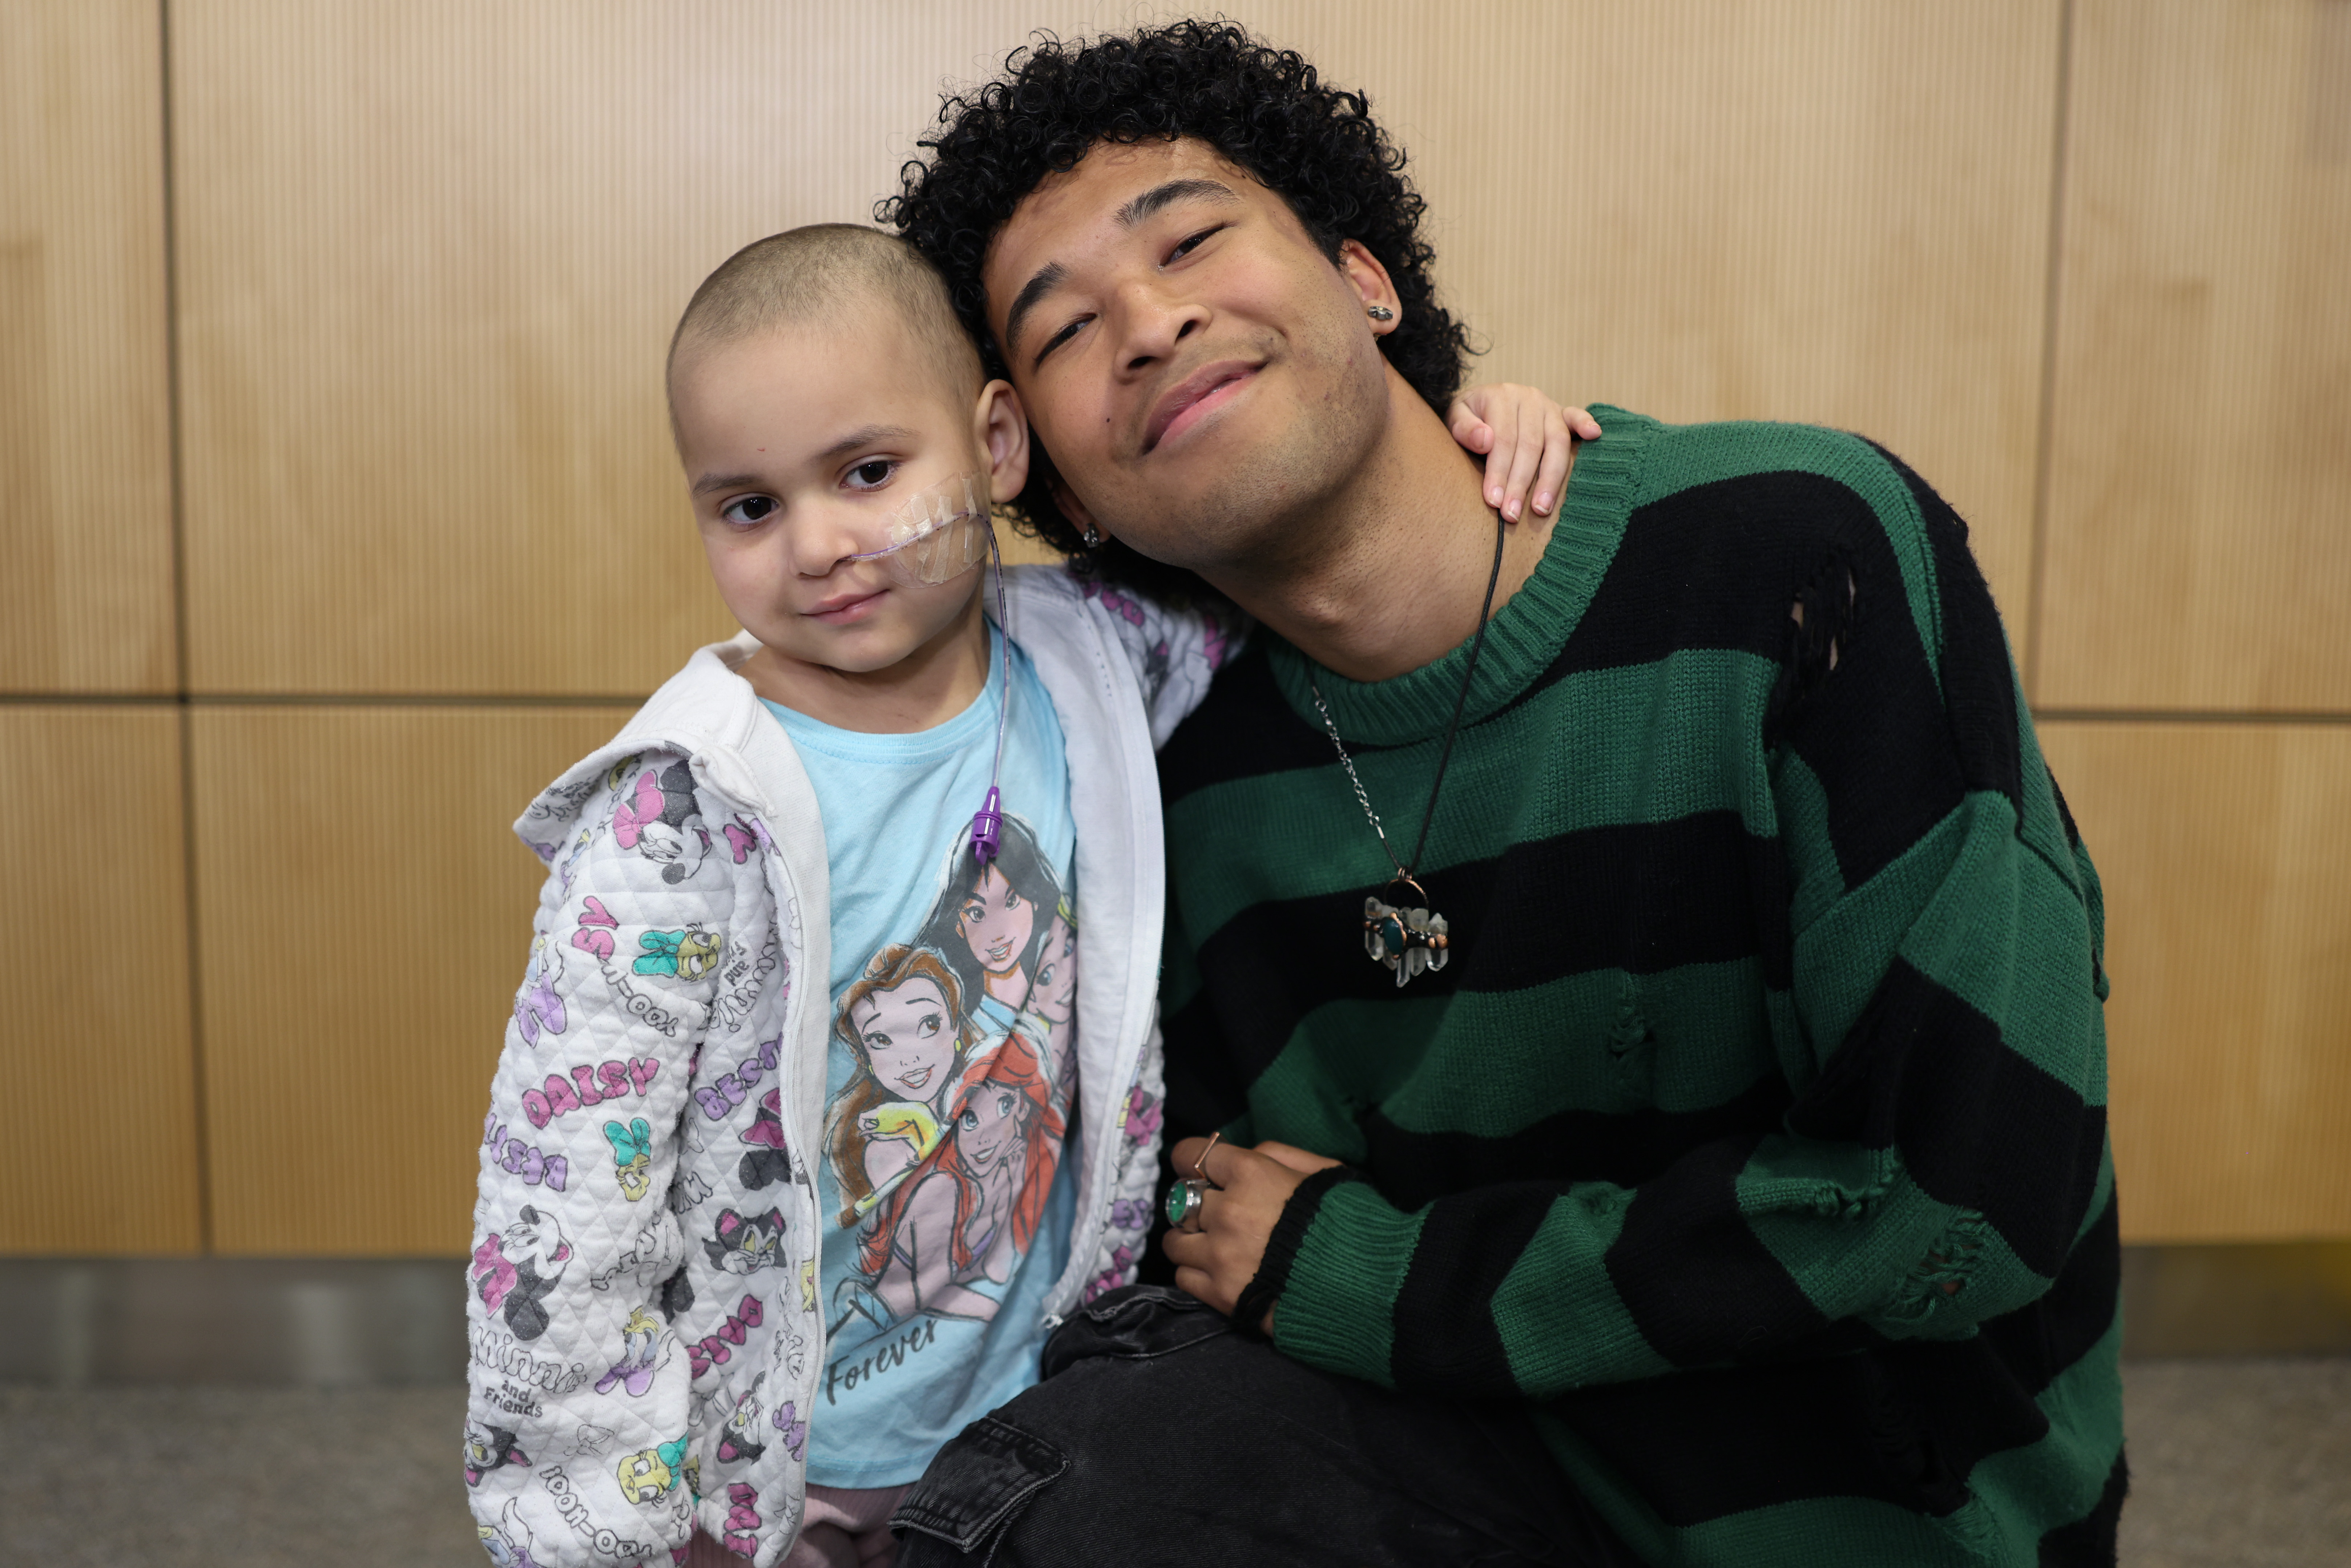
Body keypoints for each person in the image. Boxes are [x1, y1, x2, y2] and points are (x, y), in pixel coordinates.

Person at [882, 21, 2123, 1568]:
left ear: (1365, 279)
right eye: (1064, 329)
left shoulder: (1797, 561)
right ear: (1055, 482)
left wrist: (1378, 1272)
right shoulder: (1167, 776)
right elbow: (1193, 1220)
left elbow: (1968, 1193)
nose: (1147, 322)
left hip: (1865, 1496)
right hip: (1464, 1449)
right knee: (1034, 1508)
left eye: (1190, 239)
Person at [461, 218, 1592, 1566]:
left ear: (995, 445)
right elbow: (563, 1207)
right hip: (754, 1469)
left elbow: (1304, 557)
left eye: (868, 472)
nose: (817, 543)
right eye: (749, 507)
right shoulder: (680, 815)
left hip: (1024, 1413)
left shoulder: (1093, 658)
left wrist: (1468, 445)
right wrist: (611, 1529)